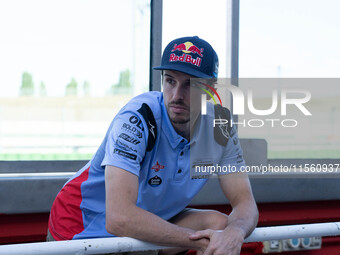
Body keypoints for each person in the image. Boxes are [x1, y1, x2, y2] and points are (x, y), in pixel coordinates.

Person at [47, 36, 258, 255]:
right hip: (81, 230)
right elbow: (119, 218)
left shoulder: (219, 126)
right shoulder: (138, 118)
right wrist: (197, 241)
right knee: (211, 236)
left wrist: (235, 233)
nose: (177, 96)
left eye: (190, 85)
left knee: (218, 225)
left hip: (140, 227)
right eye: (170, 81)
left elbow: (244, 202)